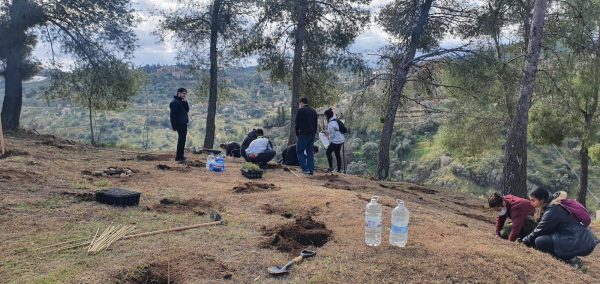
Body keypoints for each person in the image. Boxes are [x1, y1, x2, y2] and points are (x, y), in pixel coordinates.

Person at [521, 187, 598, 267]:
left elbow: (540, 230)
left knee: (540, 241)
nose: (531, 203)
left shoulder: (552, 210)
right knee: (541, 239)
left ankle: (571, 259)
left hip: (580, 241)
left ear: (542, 200)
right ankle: (570, 257)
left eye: (533, 200)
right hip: (580, 239)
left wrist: (523, 241)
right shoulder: (552, 205)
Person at [295, 97, 318, 175]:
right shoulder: (313, 111)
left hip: (303, 133)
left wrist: (297, 133)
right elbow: (316, 124)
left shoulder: (300, 111)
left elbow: (297, 123)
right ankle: (311, 170)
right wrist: (314, 132)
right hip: (312, 133)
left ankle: (305, 169)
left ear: (301, 103)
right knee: (310, 152)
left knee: (299, 151)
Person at [169, 88, 189, 162]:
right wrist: (174, 126)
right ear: (178, 93)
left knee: (182, 140)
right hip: (179, 124)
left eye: (185, 94)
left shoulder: (181, 101)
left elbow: (187, 110)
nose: (184, 95)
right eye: (183, 93)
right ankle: (178, 157)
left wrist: (185, 102)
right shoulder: (175, 102)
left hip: (184, 124)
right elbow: (172, 115)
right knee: (181, 140)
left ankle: (181, 156)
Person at [323, 108, 345, 173]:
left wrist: (327, 136)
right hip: (341, 139)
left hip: (336, 140)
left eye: (325, 116)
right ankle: (338, 170)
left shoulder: (331, 123)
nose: (324, 118)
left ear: (327, 116)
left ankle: (331, 167)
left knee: (328, 152)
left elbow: (332, 136)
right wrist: (327, 132)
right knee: (337, 154)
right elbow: (336, 130)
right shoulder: (336, 120)